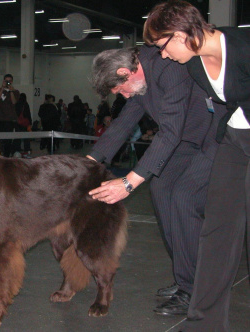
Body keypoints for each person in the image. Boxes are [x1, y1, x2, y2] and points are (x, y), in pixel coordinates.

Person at [88, 45, 224, 316]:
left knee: (184, 197)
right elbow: (123, 123)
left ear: (126, 72)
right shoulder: (138, 82)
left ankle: (198, 288)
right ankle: (186, 278)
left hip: (215, 137)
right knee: (161, 189)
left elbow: (170, 132)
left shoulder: (168, 67)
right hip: (187, 139)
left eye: (122, 90)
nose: (125, 96)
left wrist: (128, 182)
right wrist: (87, 163)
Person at [144, 1, 250, 330]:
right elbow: (223, 106)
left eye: (162, 46)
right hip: (234, 139)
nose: (162, 55)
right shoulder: (194, 66)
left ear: (180, 35)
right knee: (217, 231)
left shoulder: (243, 48)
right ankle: (204, 322)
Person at [0, 74, 19, 157]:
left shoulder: (16, 92)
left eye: (9, 81)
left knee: (7, 140)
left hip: (9, 120)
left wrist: (11, 91)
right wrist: (2, 88)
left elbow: (14, 102)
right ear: (3, 81)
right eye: (6, 81)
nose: (8, 82)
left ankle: (6, 156)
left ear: (12, 81)